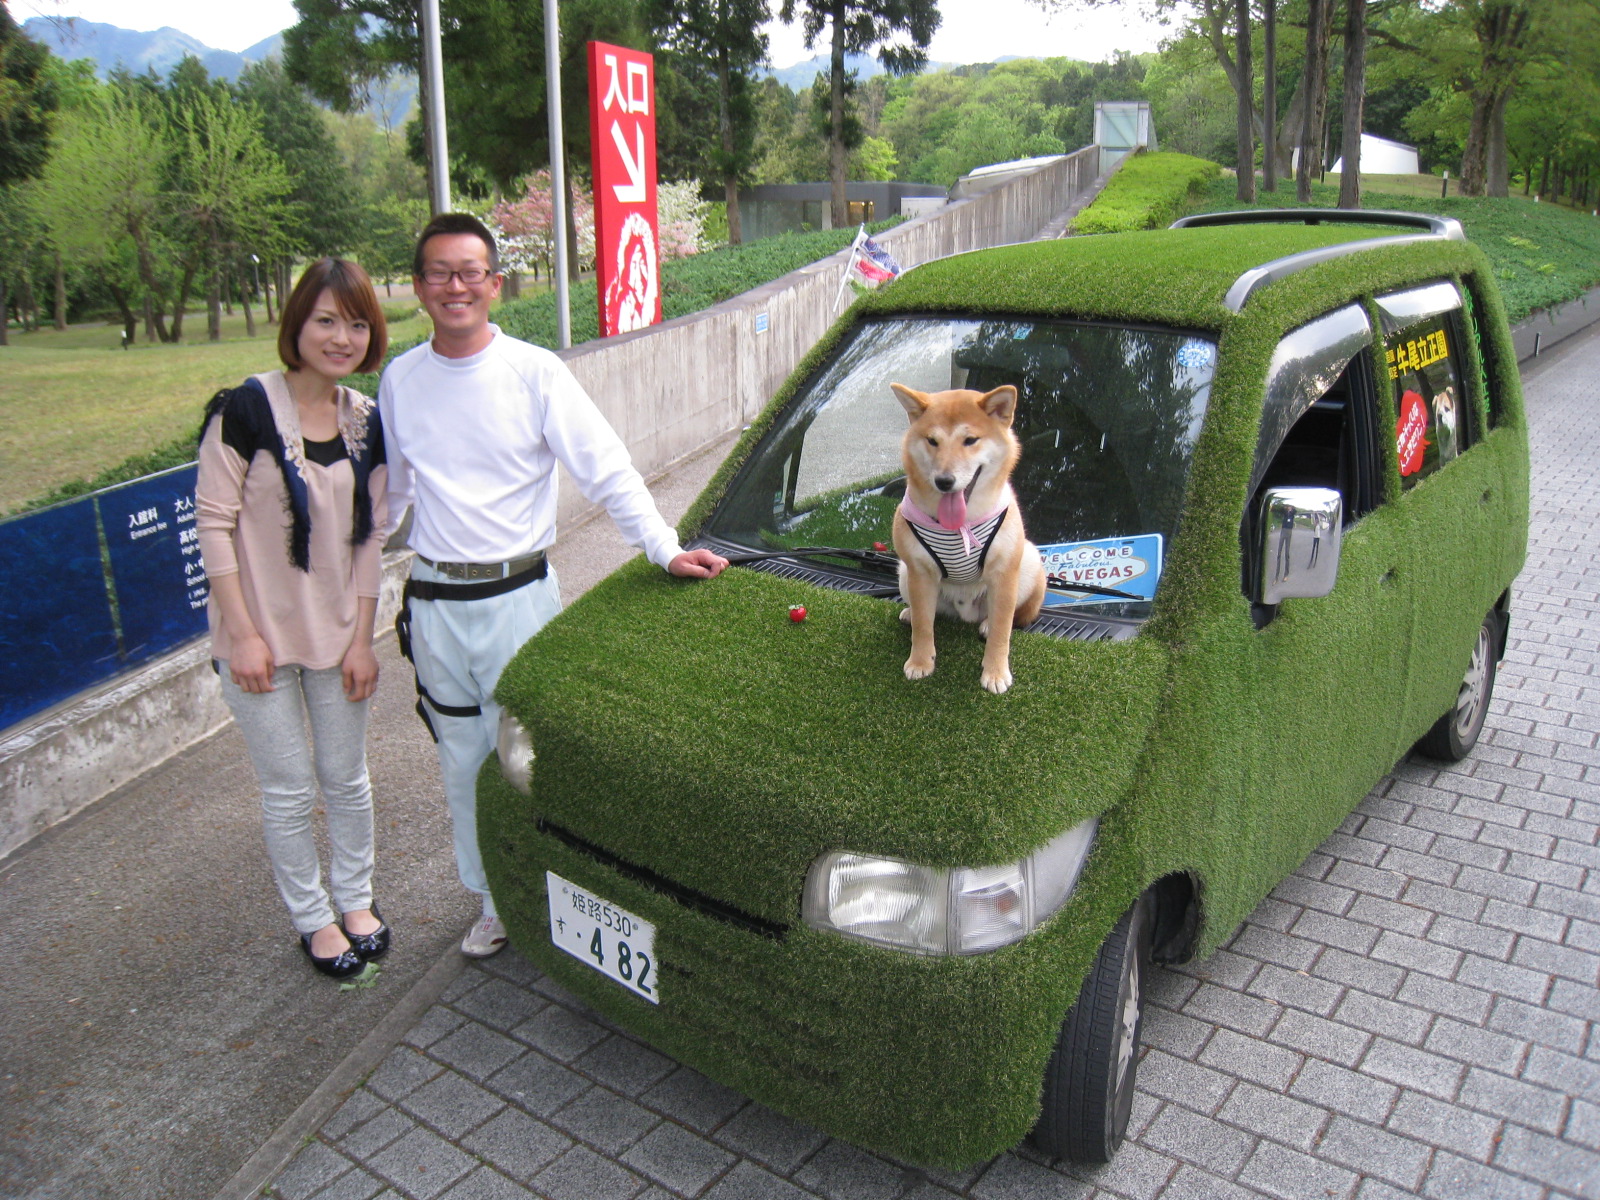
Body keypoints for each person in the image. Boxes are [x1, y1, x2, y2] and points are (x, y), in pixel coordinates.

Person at [380, 213, 727, 958]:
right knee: (460, 761)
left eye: (471, 271)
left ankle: (550, 891)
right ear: (418, 287)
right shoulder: (399, 379)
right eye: (439, 272)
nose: (455, 286)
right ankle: (490, 898)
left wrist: (663, 549)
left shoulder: (535, 372)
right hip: (436, 601)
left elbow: (605, 468)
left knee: (531, 758)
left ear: (495, 285)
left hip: (519, 599)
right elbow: (392, 497)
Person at [196, 258, 391, 979]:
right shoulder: (243, 411)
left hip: (339, 636)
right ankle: (313, 918)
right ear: (297, 324)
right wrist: (242, 635)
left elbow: (371, 535)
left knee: (346, 778)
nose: (342, 336)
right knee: (287, 789)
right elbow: (213, 527)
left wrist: (364, 639)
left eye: (357, 322)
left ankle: (357, 898)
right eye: (326, 320)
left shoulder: (366, 422)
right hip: (259, 642)